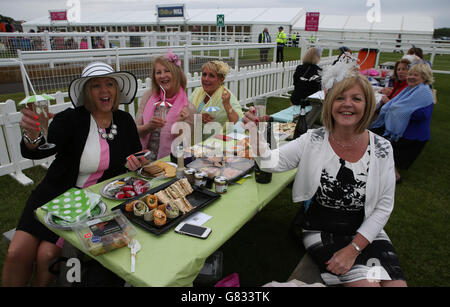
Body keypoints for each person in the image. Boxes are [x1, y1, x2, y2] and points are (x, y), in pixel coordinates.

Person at [242, 60, 407, 287]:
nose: (347, 104)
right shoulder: (314, 139)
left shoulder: (382, 148)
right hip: (322, 229)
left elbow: (384, 206)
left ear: (367, 104)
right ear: (329, 102)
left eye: (356, 98)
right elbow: (271, 163)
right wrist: (253, 132)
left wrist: (354, 248)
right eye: (340, 98)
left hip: (366, 230)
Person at [2, 62, 146, 286]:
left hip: (90, 204)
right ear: (87, 92)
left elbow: (135, 157)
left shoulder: (125, 121)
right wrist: (32, 134)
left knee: (47, 255)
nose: (104, 90)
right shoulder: (70, 119)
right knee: (16, 253)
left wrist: (137, 162)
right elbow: (40, 149)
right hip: (53, 196)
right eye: (96, 85)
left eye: (109, 84)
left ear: (117, 90)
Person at [370, 63, 434, 183]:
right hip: (401, 129)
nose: (411, 77)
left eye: (416, 75)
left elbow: (422, 115)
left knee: (377, 140)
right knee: (370, 134)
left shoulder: (423, 92)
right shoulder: (411, 90)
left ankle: (395, 175)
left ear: (424, 77)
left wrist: (401, 111)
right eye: (410, 74)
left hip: (411, 135)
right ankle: (378, 167)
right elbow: (396, 105)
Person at [135, 50, 189, 162]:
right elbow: (134, 131)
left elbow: (184, 144)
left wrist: (179, 124)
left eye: (167, 71)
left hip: (169, 163)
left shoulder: (187, 107)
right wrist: (148, 127)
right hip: (143, 160)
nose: (162, 76)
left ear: (176, 74)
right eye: (158, 72)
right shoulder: (148, 97)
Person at [186, 60, 244, 129]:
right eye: (204, 74)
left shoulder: (226, 96)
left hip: (219, 138)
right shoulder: (197, 92)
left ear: (221, 79)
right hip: (194, 136)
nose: (206, 79)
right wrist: (198, 117)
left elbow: (239, 123)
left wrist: (227, 104)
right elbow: (185, 112)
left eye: (211, 76)